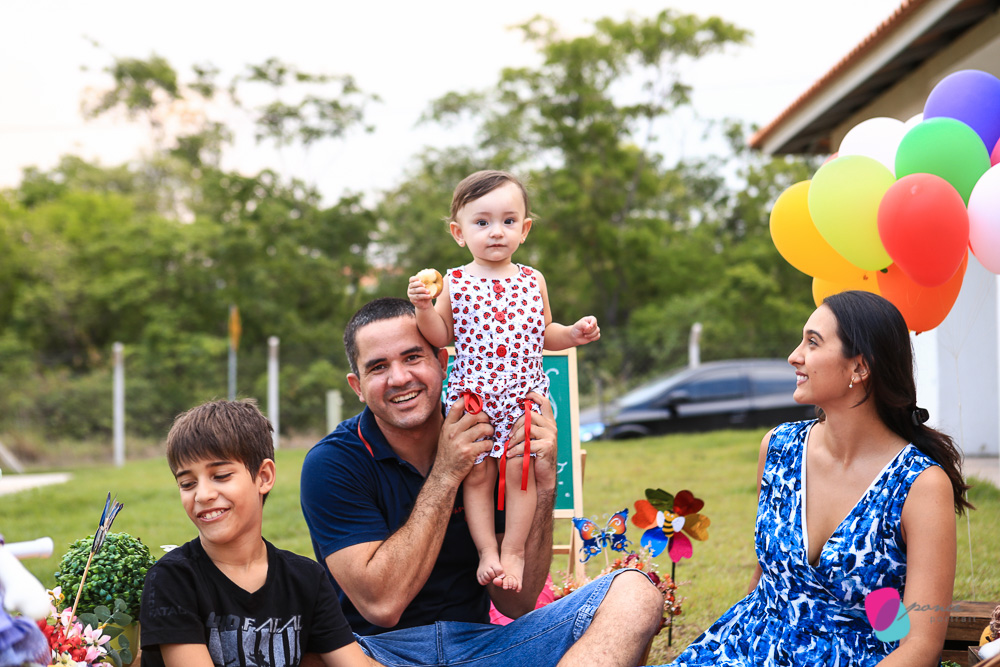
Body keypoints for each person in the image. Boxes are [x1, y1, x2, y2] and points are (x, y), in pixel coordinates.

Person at [300, 297, 662, 666]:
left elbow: (517, 602)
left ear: (442, 364)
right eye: (378, 367)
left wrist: (545, 483)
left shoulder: (492, 438)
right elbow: (382, 605)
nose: (399, 378)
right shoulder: (332, 463)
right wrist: (447, 472)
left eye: (413, 358)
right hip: (378, 654)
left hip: (483, 646)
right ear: (357, 386)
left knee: (635, 593)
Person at [655, 291, 972, 667]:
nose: (794, 355)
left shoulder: (920, 484)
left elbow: (920, 645)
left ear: (860, 367)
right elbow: (767, 580)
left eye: (813, 342)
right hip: (748, 648)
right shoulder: (778, 448)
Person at [406, 169, 600, 592]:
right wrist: (422, 307)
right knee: (476, 474)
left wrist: (572, 335)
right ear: (459, 233)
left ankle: (513, 550)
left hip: (522, 397)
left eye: (508, 221)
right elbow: (442, 334)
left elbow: (544, 332)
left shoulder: (532, 280)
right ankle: (486, 553)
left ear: (525, 229)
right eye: (482, 222)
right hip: (475, 395)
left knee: (521, 471)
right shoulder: (456, 282)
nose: (497, 232)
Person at [139, 400, 381, 667]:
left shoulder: (306, 579)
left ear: (264, 476)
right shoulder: (172, 579)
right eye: (187, 483)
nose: (203, 495)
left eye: (220, 475)